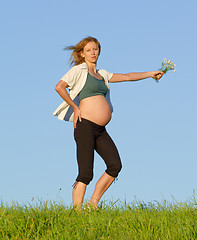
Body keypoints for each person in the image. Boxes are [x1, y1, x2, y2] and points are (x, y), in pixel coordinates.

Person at [53, 36, 164, 210]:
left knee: (115, 165)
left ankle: (93, 204)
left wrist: (150, 74)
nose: (93, 52)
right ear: (82, 54)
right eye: (88, 50)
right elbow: (59, 86)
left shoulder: (102, 74)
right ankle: (76, 212)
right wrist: (75, 107)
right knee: (85, 173)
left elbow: (127, 77)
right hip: (85, 125)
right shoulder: (79, 70)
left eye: (95, 49)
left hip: (100, 129)